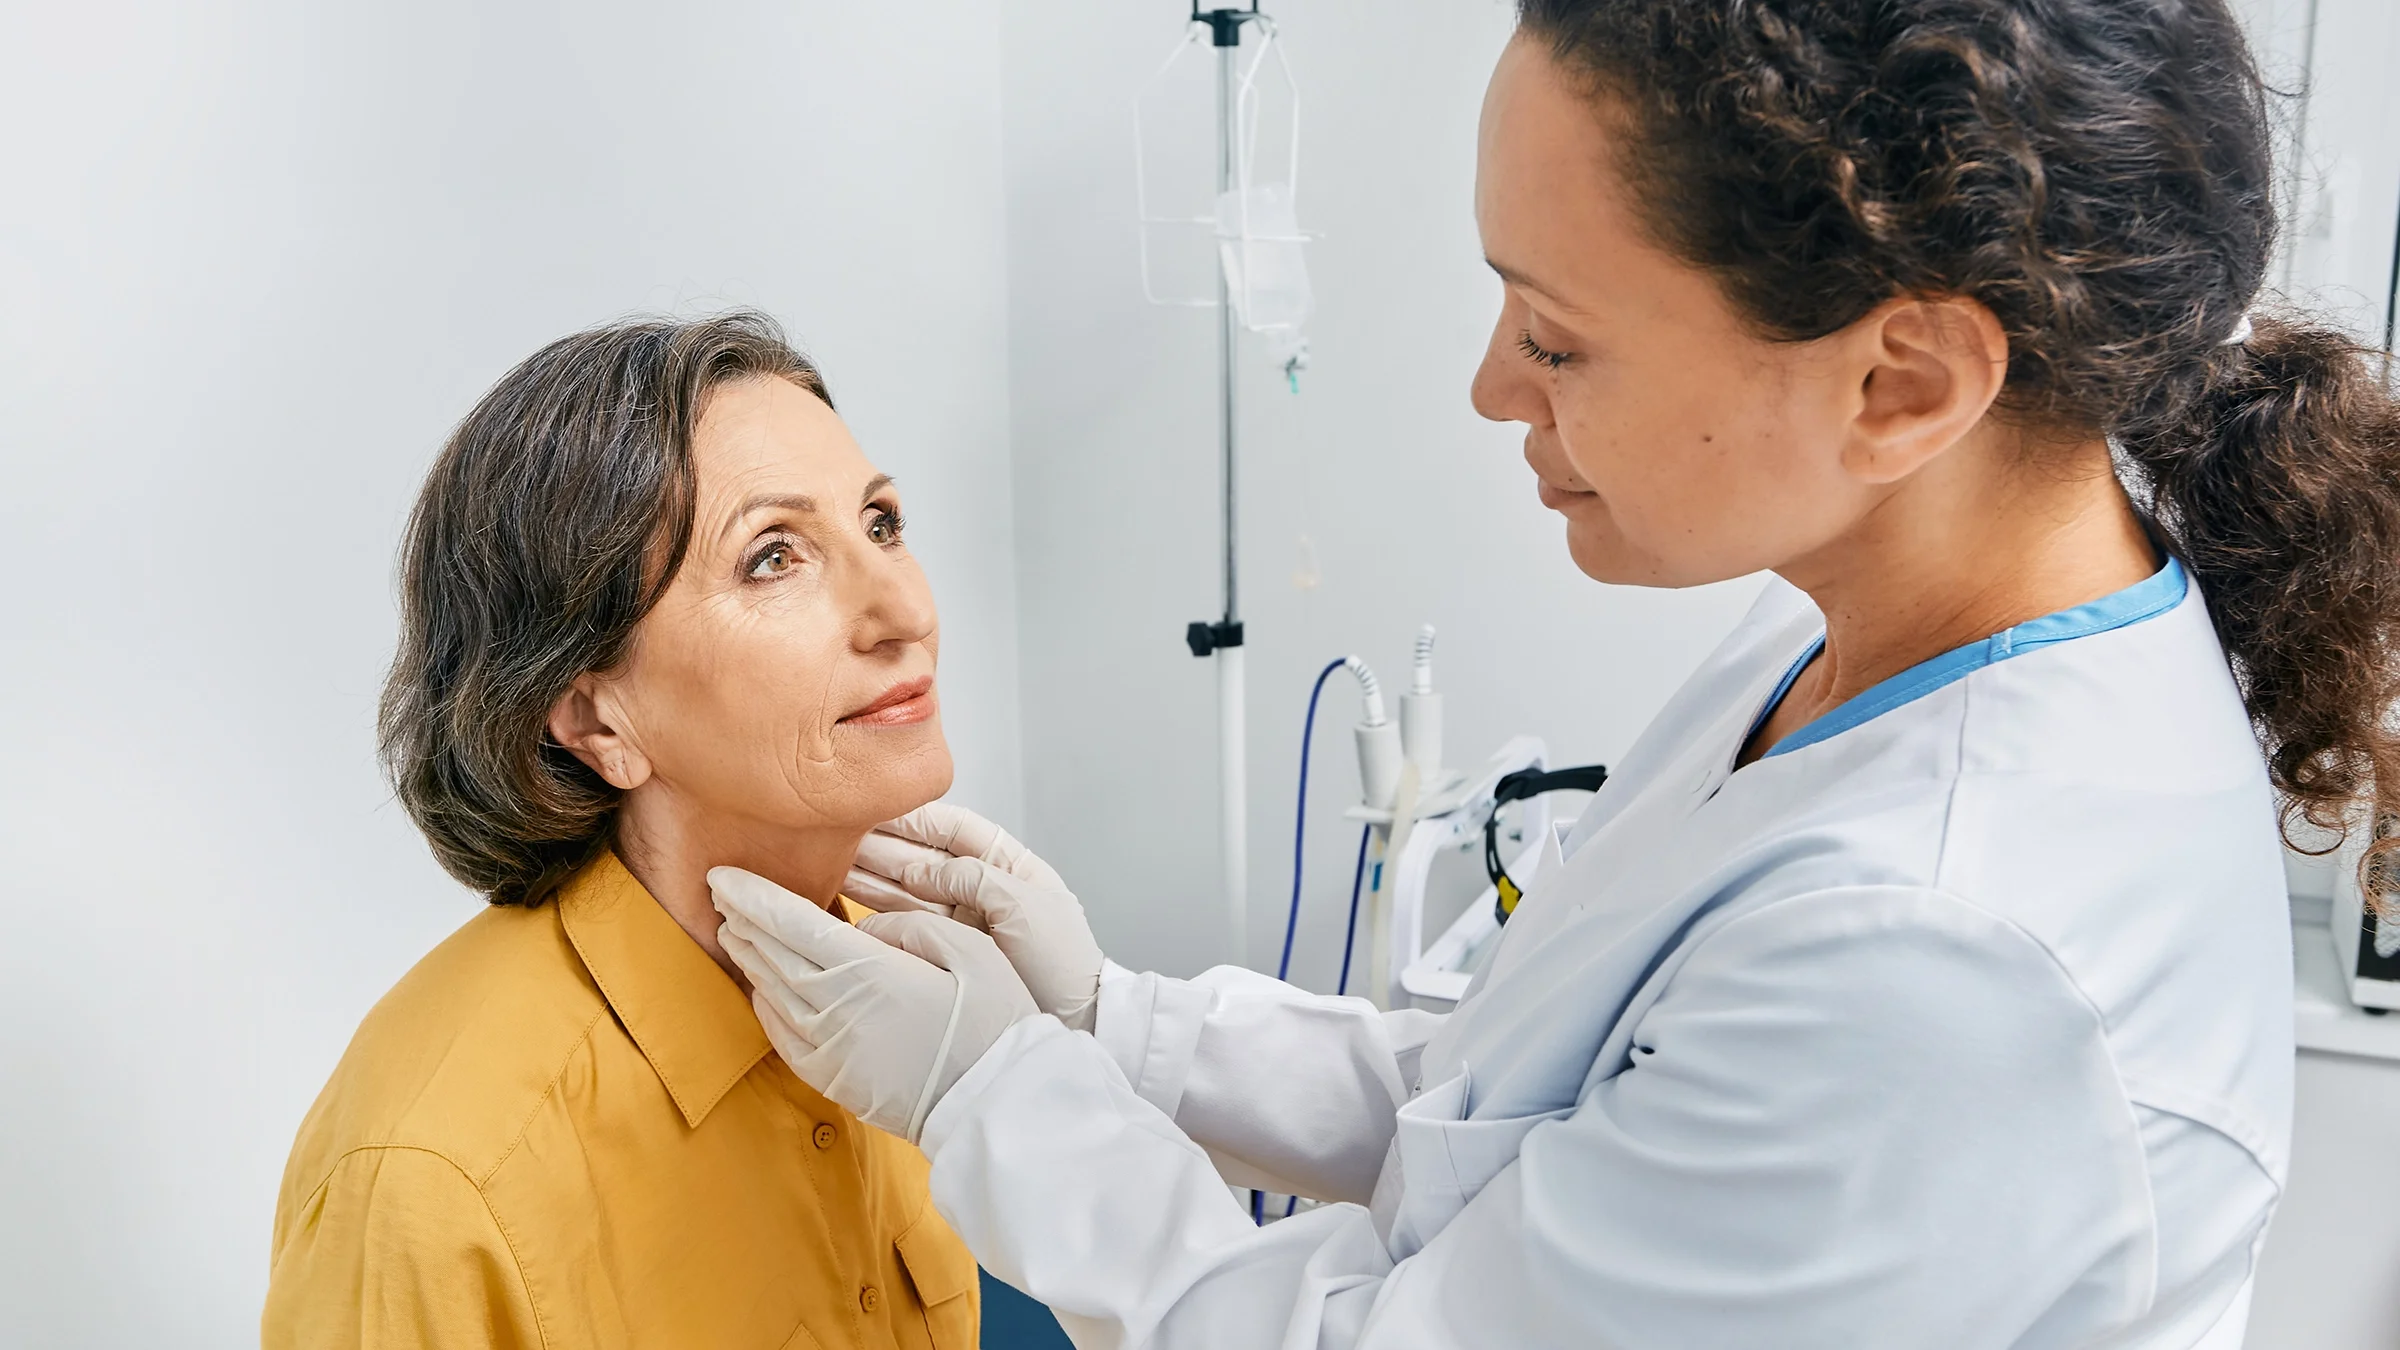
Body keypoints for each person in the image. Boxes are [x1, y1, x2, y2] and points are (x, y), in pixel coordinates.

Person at [713, 2, 2400, 1347]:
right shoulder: (1852, 633)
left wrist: (993, 1091)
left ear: (1900, 385)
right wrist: (1116, 1021)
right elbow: (1502, 1109)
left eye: (1556, 334)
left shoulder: (1953, 962)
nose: (1491, 387)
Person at [263, 313, 980, 1349]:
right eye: (774, 558)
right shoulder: (436, 1177)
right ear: (596, 721)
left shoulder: (915, 1002)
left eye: (880, 523)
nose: (903, 609)